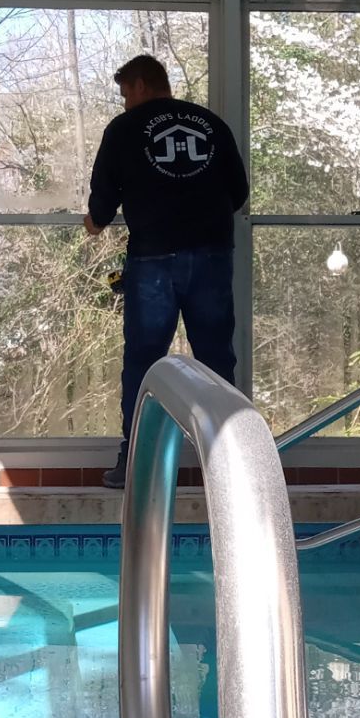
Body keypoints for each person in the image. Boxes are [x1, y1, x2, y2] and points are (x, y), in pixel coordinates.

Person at [84, 54, 249, 488]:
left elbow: (103, 194)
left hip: (153, 258)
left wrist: (96, 220)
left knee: (144, 359)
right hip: (212, 254)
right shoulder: (211, 124)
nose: (124, 103)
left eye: (124, 93)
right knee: (215, 358)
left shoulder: (123, 130)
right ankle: (228, 465)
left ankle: (137, 463)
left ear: (140, 86)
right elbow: (238, 192)